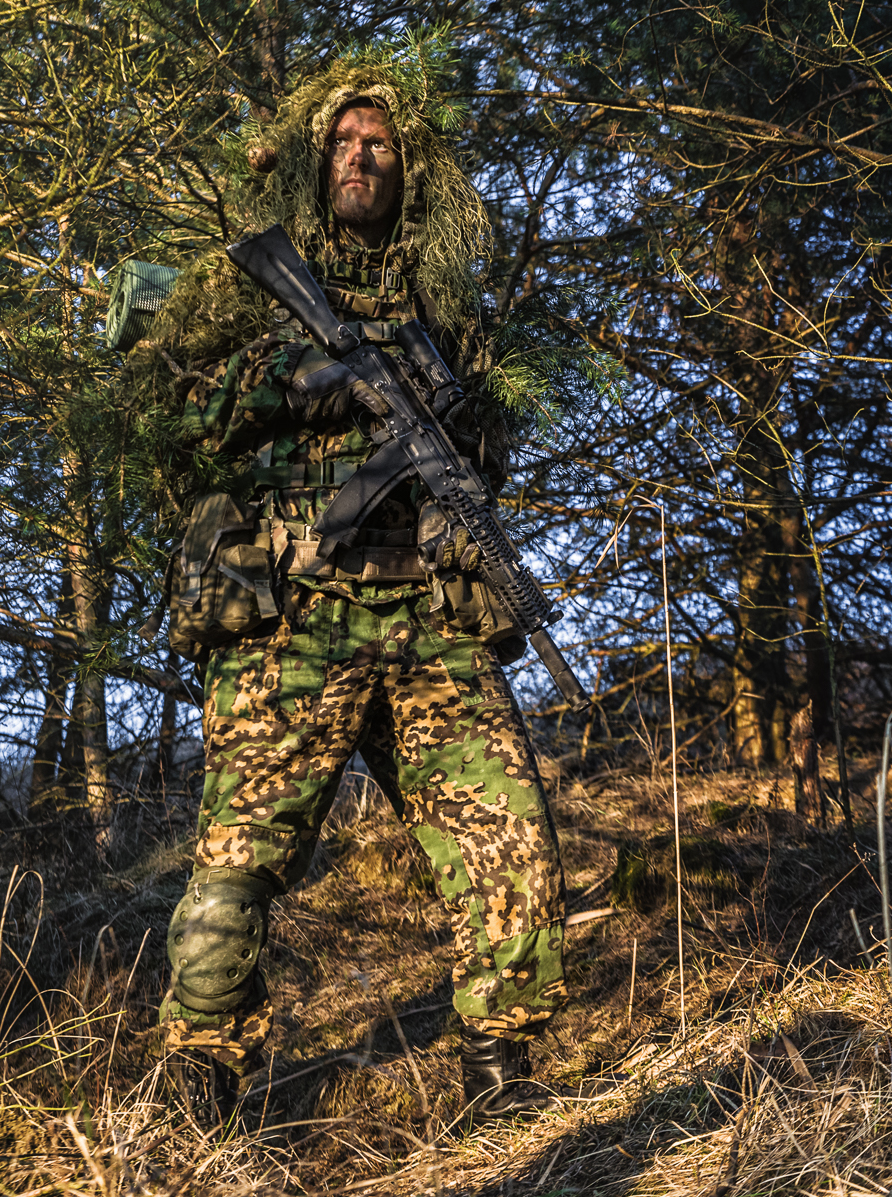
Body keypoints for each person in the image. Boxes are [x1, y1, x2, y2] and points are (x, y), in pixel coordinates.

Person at [130, 56, 571, 1127]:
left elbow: (488, 451)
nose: (359, 156)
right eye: (342, 139)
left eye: (378, 142)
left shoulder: (443, 312)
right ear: (315, 156)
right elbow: (166, 414)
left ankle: (502, 1081)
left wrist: (461, 450)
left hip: (429, 618)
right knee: (235, 871)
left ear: (409, 168)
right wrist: (289, 387)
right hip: (293, 618)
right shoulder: (249, 289)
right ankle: (202, 1093)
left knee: (511, 842)